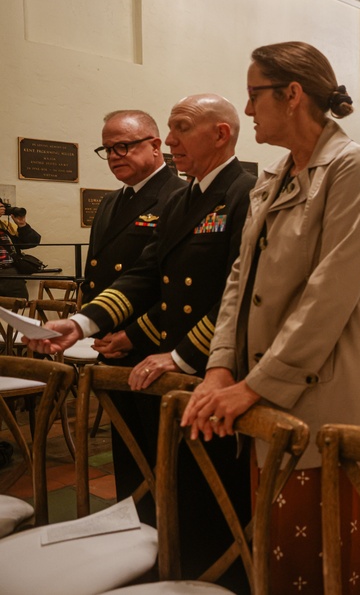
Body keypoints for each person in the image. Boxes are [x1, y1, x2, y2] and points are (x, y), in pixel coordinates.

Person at [179, 41, 360, 593]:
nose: (247, 110)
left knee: (331, 558)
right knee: (281, 554)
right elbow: (238, 281)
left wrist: (252, 385)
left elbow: (329, 295)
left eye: (254, 95)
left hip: (327, 385)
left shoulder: (352, 168)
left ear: (292, 95)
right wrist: (221, 367)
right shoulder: (273, 177)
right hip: (262, 384)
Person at [25, 93, 255, 587]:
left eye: (179, 128)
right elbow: (148, 275)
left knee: (212, 501)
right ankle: (169, 570)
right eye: (167, 129)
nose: (169, 140)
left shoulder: (246, 192)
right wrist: (84, 323)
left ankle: (216, 581)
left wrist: (181, 355)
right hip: (167, 366)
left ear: (220, 133)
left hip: (214, 370)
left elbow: (243, 295)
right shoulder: (182, 197)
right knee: (167, 485)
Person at [84, 109, 186, 512]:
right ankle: (133, 528)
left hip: (154, 344)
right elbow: (97, 271)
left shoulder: (176, 197)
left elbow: (172, 283)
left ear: (156, 145)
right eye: (107, 148)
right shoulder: (112, 202)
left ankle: (163, 538)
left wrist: (133, 335)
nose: (113, 155)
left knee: (159, 454)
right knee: (126, 453)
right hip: (111, 344)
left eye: (123, 145)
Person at [0, 203, 41, 299]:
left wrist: (22, 225)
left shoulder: (5, 226)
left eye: (2, 206)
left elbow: (32, 242)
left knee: (21, 302)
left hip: (9, 271)